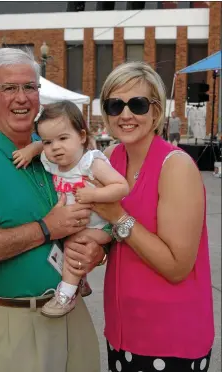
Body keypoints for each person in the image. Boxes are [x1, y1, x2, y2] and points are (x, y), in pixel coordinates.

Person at [0, 48, 106, 372]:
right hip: (12, 322)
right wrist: (46, 228)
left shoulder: (55, 148)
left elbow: (98, 210)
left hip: (72, 314)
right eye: (10, 88)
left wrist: (97, 254)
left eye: (30, 87)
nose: (22, 97)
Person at [83, 61, 214, 372]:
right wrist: (97, 250)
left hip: (169, 339)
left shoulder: (176, 166)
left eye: (137, 104)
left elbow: (177, 267)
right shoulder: (112, 158)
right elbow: (114, 235)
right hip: (122, 328)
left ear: (156, 112)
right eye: (116, 105)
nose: (126, 115)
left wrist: (118, 216)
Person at [12, 100, 129, 317]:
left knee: (74, 245)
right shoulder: (54, 161)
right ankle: (79, 281)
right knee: (63, 239)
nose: (55, 147)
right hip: (74, 223)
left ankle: (65, 295)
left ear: (82, 137)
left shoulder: (90, 162)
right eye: (48, 142)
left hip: (101, 226)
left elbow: (122, 187)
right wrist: (32, 149)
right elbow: (42, 148)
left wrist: (94, 194)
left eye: (63, 138)